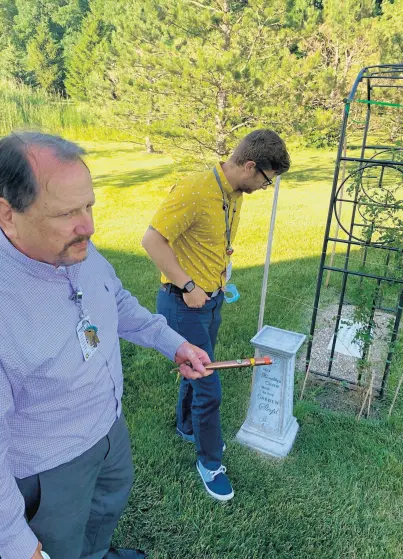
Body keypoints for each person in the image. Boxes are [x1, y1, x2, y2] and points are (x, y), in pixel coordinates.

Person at [0, 131, 213, 559]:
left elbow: (116, 300)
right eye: (67, 212)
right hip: (49, 470)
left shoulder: (76, 250)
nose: (88, 226)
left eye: (89, 205)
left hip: (109, 429)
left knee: (104, 516)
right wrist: (18, 545)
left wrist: (172, 343)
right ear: (8, 215)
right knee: (61, 547)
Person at [142, 129, 290, 501]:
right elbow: (151, 240)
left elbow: (211, 244)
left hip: (212, 300)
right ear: (250, 166)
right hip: (182, 303)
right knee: (209, 386)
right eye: (266, 180)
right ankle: (210, 462)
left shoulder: (233, 193)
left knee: (196, 370)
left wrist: (219, 282)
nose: (264, 187)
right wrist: (189, 286)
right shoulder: (195, 189)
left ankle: (186, 425)